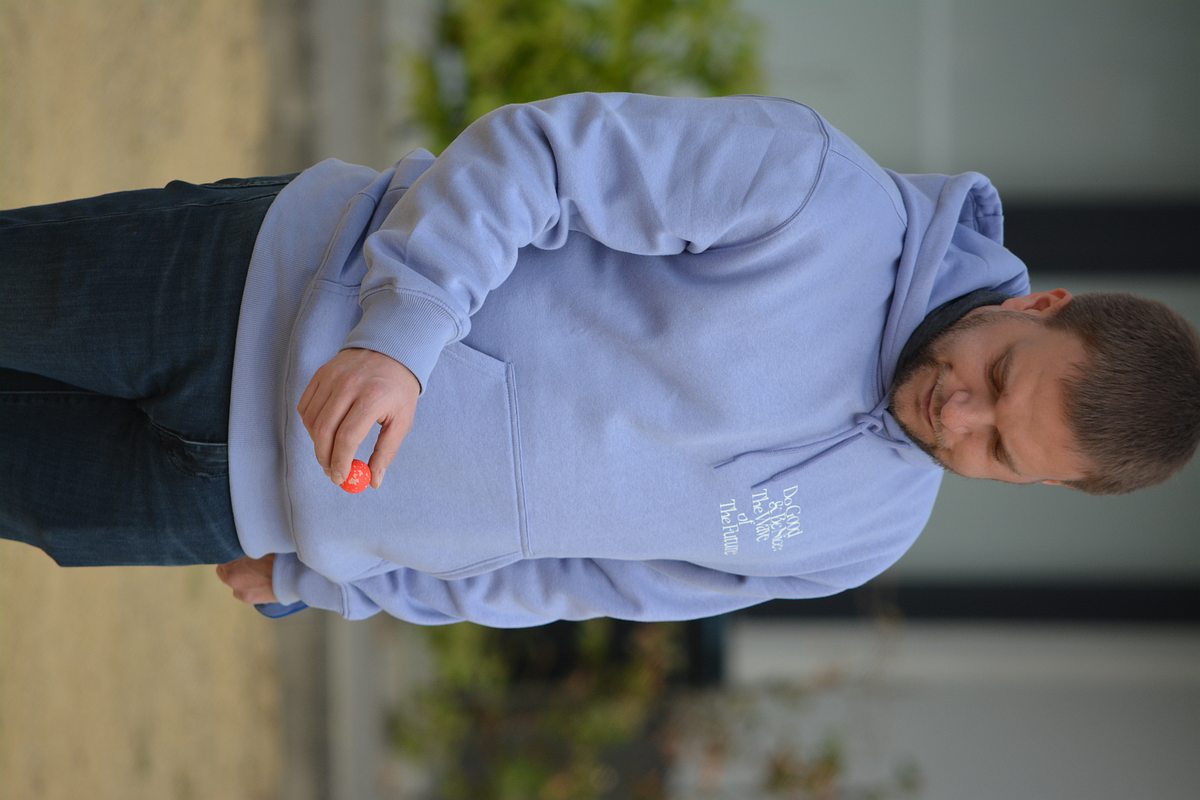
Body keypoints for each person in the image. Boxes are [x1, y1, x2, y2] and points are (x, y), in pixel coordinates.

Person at [3, 93, 1198, 627]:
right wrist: (404, 335)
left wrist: (331, 582)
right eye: (999, 377)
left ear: (1036, 483)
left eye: (999, 450)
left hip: (237, 501)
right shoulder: (822, 193)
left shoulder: (862, 534)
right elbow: (543, 156)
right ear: (1042, 302)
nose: (958, 414)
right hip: (240, 291)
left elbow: (571, 580)